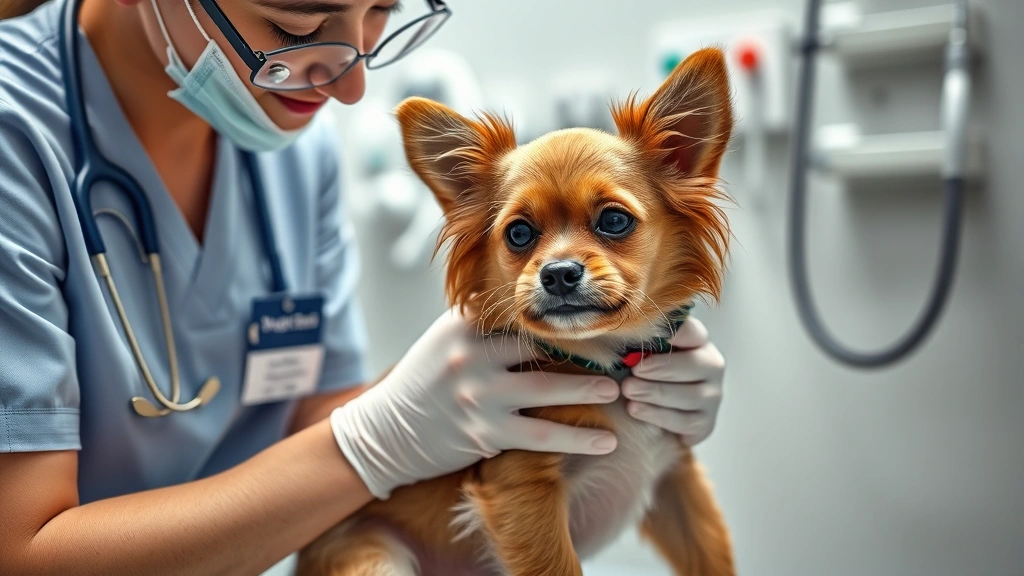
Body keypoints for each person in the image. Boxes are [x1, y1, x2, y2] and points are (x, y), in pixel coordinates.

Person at [0, 0, 727, 573]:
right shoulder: (15, 131)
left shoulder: (294, 144)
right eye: (296, 24)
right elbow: (21, 554)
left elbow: (315, 420)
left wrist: (446, 402)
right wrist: (374, 439)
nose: (351, 88)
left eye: (380, 12)